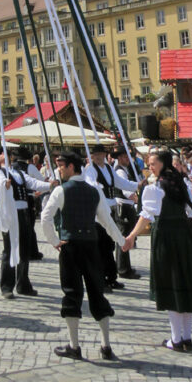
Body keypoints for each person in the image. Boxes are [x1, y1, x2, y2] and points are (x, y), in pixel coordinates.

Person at [122, 147, 192, 351]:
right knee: (184, 281)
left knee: (171, 284)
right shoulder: (180, 183)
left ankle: (176, 338)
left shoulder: (154, 188)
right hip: (184, 237)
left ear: (163, 164)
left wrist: (131, 236)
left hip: (165, 236)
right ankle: (186, 338)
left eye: (153, 163)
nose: (150, 167)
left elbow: (146, 215)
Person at [41, 149, 125, 360]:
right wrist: (122, 242)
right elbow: (106, 221)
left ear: (71, 167)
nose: (59, 170)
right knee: (97, 291)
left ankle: (74, 346)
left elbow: (45, 217)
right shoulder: (94, 191)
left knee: (72, 292)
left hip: (70, 246)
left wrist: (53, 241)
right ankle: (106, 346)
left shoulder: (61, 191)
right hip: (90, 245)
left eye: (61, 166)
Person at [0, 146, 51, 299]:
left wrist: (50, 185)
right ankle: (6, 286)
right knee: (9, 249)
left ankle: (23, 284)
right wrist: (5, 183)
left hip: (24, 212)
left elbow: (34, 184)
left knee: (24, 249)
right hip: (10, 213)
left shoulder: (19, 173)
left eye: (7, 153)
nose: (6, 156)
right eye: (1, 154)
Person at [84, 144, 139, 290]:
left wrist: (137, 185)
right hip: (99, 211)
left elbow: (120, 183)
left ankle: (111, 277)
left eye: (101, 154)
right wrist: (96, 186)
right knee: (101, 245)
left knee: (108, 245)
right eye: (96, 154)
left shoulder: (108, 168)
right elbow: (90, 184)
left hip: (111, 207)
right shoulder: (90, 169)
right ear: (92, 156)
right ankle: (100, 279)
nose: (99, 157)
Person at [112, 146, 141, 280]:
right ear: (119, 158)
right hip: (123, 206)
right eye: (124, 157)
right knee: (124, 237)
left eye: (128, 157)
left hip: (126, 206)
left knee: (126, 237)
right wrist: (139, 201)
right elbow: (127, 192)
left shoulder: (125, 170)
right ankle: (123, 269)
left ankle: (124, 266)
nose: (127, 159)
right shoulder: (119, 171)